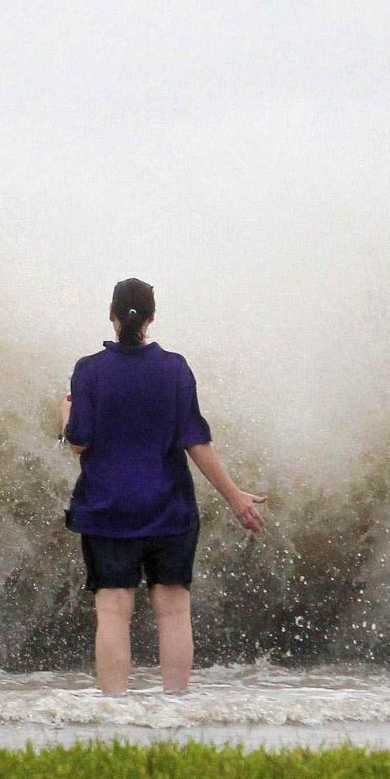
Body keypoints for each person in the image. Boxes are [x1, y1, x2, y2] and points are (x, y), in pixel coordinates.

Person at [61, 277, 265, 695]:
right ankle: (174, 709)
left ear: (112, 315)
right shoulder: (175, 368)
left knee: (114, 610)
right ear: (151, 318)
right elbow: (195, 440)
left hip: (107, 508)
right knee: (173, 611)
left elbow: (79, 441)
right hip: (169, 508)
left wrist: (63, 416)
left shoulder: (89, 371)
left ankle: (116, 712)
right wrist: (234, 496)